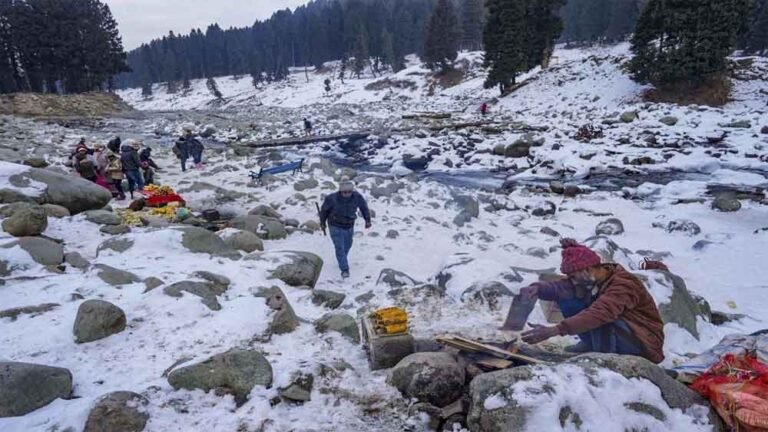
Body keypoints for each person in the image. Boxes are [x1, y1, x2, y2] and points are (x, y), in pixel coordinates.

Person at [515, 238, 665, 364]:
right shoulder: (588, 279)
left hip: (642, 343)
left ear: (587, 270)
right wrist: (537, 289)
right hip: (621, 333)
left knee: (599, 317)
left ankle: (604, 358)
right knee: (567, 297)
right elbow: (561, 287)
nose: (572, 281)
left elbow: (600, 313)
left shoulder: (624, 284)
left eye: (573, 276)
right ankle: (591, 344)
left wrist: (556, 330)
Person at [319, 179, 372, 279]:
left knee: (348, 245)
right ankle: (344, 269)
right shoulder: (331, 199)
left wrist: (367, 220)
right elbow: (324, 211)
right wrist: (322, 223)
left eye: (349, 192)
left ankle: (342, 258)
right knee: (339, 247)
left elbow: (364, 208)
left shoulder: (357, 197)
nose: (347, 194)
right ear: (340, 191)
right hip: (335, 225)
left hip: (349, 225)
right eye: (344, 192)